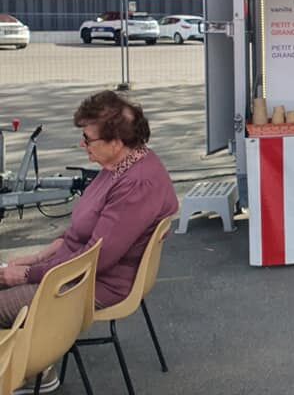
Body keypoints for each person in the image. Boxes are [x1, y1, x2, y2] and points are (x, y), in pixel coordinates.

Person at [0, 90, 179, 393]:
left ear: (117, 141)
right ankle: (27, 364)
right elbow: (79, 235)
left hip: (90, 283)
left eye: (88, 139)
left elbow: (95, 258)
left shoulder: (136, 184)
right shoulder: (121, 166)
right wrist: (33, 260)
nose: (83, 145)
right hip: (73, 273)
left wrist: (28, 274)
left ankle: (33, 370)